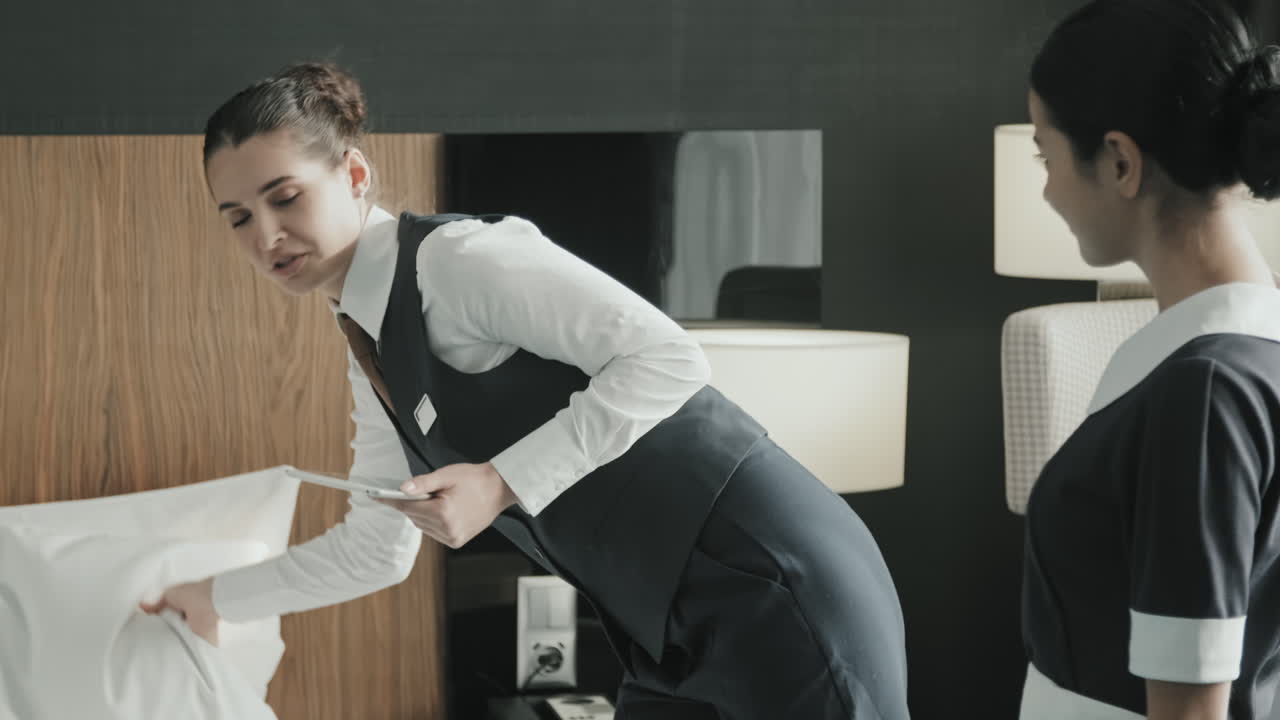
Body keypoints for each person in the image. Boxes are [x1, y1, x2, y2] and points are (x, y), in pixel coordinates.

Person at [141, 61, 910, 719]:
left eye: (285, 197)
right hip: (659, 622)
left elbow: (669, 358)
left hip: (768, 575)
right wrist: (215, 598)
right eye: (237, 217)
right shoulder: (366, 343)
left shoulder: (460, 261)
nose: (265, 237)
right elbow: (377, 549)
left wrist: (500, 482)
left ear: (354, 175)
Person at [1018, 1, 1280, 718]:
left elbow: (1191, 708)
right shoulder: (1233, 356)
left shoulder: (1203, 391)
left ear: (1121, 161)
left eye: (1047, 155)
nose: (1046, 189)